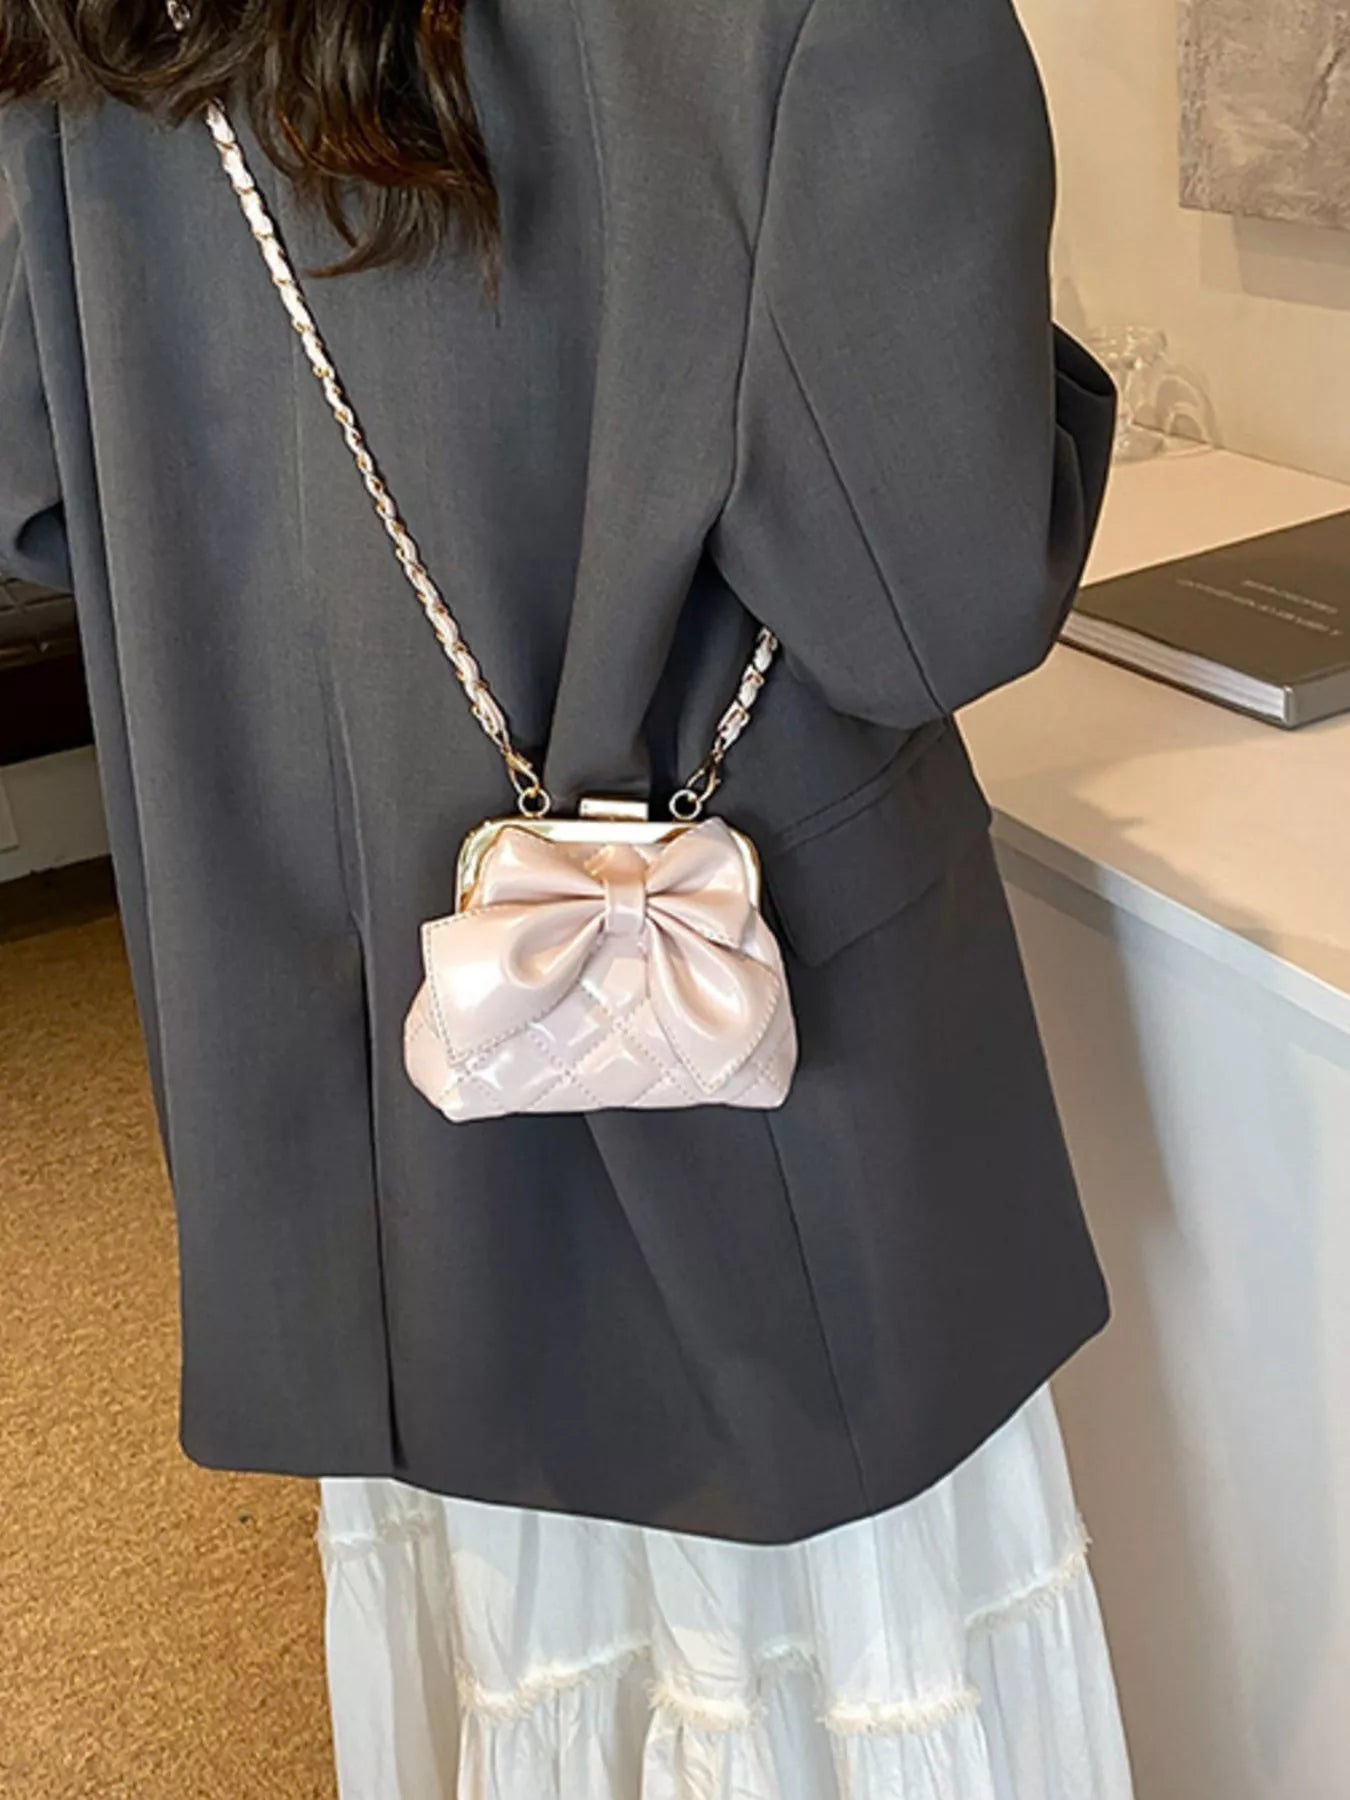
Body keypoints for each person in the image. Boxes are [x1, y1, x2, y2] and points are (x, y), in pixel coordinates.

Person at [1, 0, 1132, 1793]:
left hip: (353, 1065)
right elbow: (927, 596)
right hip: (768, 1111)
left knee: (517, 1665)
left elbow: (46, 499)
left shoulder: (98, 28)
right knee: (835, 1680)